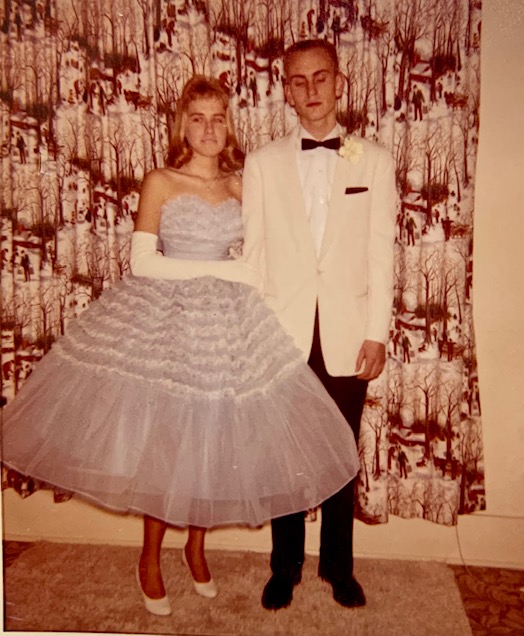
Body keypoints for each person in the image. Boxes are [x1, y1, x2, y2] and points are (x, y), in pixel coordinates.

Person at [1, 75, 360, 617]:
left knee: (210, 437)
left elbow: (269, 255)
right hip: (165, 317)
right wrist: (229, 271)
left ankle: (196, 549)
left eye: (218, 117)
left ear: (229, 124)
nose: (209, 128)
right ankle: (149, 557)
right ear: (183, 125)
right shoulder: (161, 181)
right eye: (198, 117)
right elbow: (143, 262)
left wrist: (250, 274)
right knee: (168, 441)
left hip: (226, 325)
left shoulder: (245, 185)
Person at [242, 39, 397, 610]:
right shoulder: (261, 164)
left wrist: (377, 331)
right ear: (286, 89)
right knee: (283, 452)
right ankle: (285, 567)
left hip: (347, 332)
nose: (311, 90)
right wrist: (254, 336)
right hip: (281, 333)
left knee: (339, 452)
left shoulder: (372, 160)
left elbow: (383, 253)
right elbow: (254, 255)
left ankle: (338, 567)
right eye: (298, 80)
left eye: (321, 78)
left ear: (340, 83)